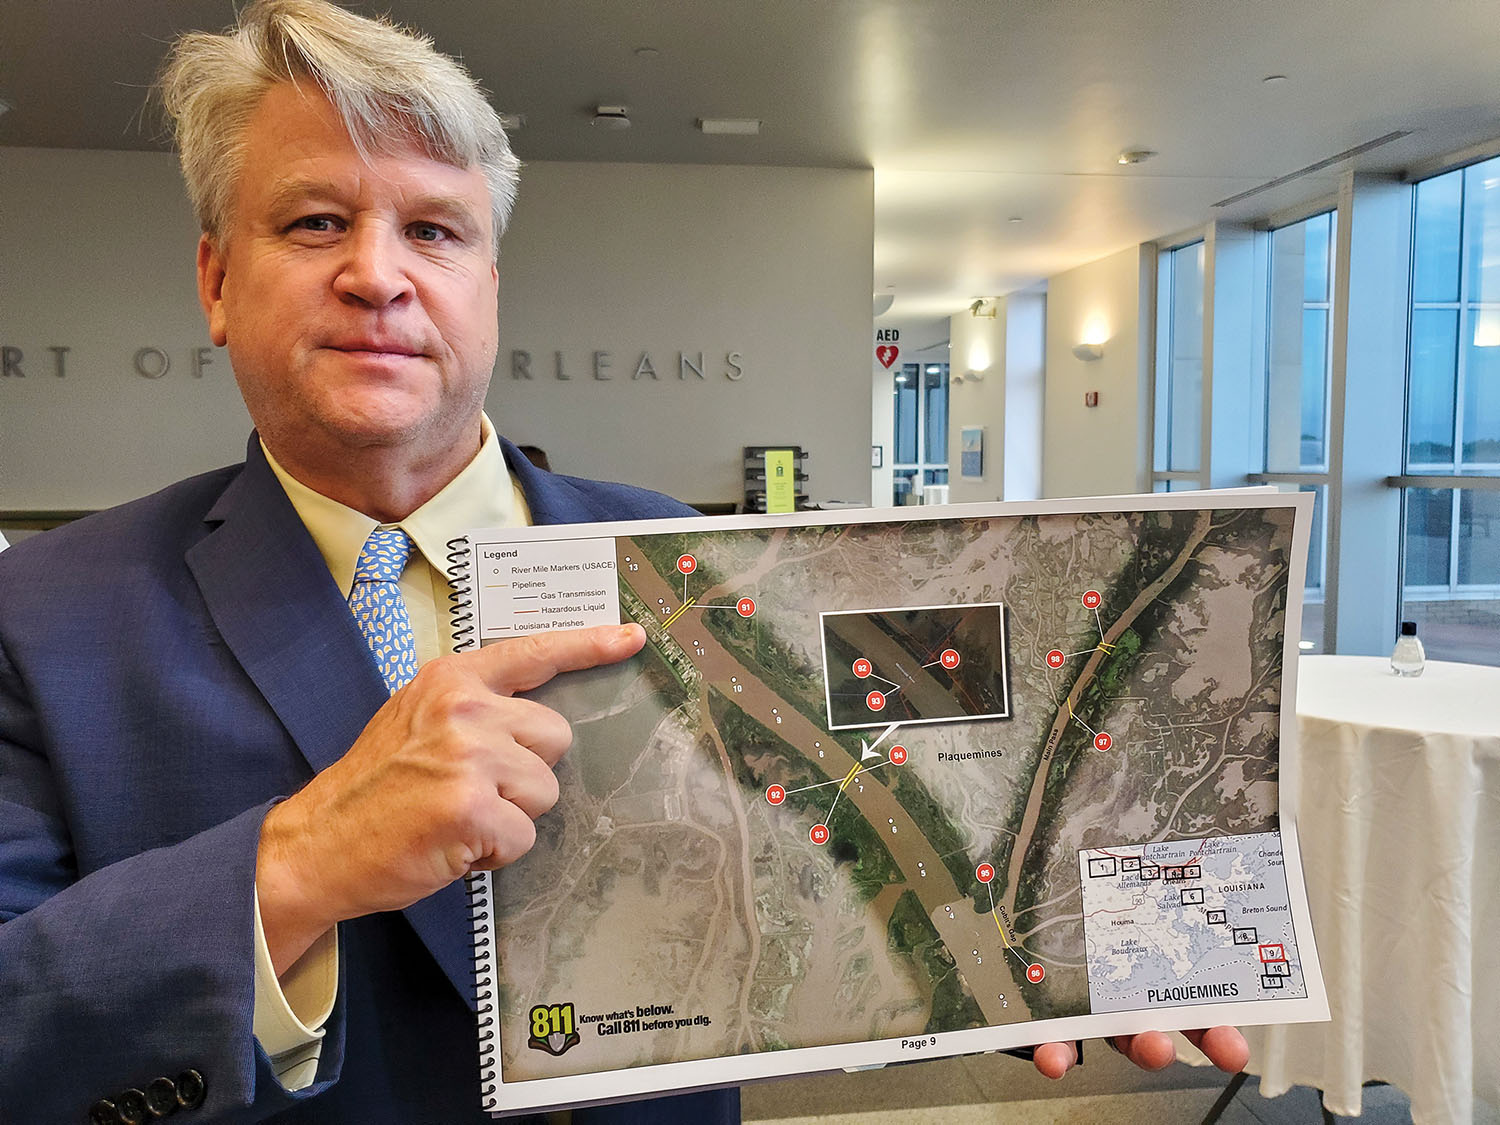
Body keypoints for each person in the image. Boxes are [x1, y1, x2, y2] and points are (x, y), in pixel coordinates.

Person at [0, 2, 1246, 1121]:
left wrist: (1049, 935)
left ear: (489, 282)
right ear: (218, 280)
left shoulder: (696, 569)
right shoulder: (49, 618)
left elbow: (912, 778)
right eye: (315, 221)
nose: (376, 274)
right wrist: (297, 863)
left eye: (433, 230)